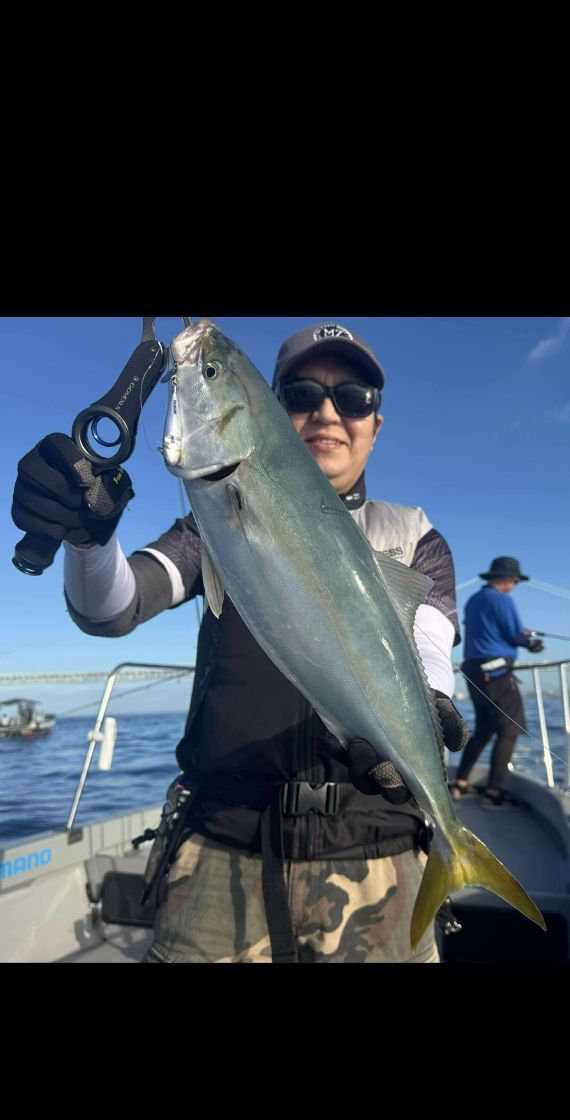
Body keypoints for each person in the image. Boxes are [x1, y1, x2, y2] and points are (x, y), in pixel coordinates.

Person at [12, 319, 468, 963]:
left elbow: (430, 643)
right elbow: (112, 606)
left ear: (377, 424)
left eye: (355, 397)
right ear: (274, 411)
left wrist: (430, 700)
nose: (328, 412)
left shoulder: (414, 535)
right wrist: (88, 538)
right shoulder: (210, 515)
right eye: (303, 394)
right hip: (222, 851)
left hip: (379, 852)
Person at [450, 556, 544, 808]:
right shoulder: (502, 600)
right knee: (510, 729)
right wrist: (532, 643)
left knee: (484, 728)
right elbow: (515, 635)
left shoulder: (473, 601)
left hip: (473, 672)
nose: (514, 586)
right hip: (497, 674)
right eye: (514, 581)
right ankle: (493, 792)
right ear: (507, 580)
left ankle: (460, 783)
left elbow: (491, 631)